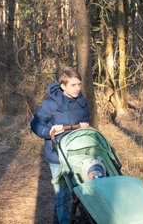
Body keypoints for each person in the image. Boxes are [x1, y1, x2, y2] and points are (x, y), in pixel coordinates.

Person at [30, 68, 90, 224]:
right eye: (73, 85)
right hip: (57, 156)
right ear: (63, 86)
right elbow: (35, 124)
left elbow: (87, 125)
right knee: (62, 194)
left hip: (78, 155)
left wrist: (85, 127)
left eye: (79, 84)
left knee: (81, 191)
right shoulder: (50, 104)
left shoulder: (82, 103)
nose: (77, 88)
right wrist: (48, 130)